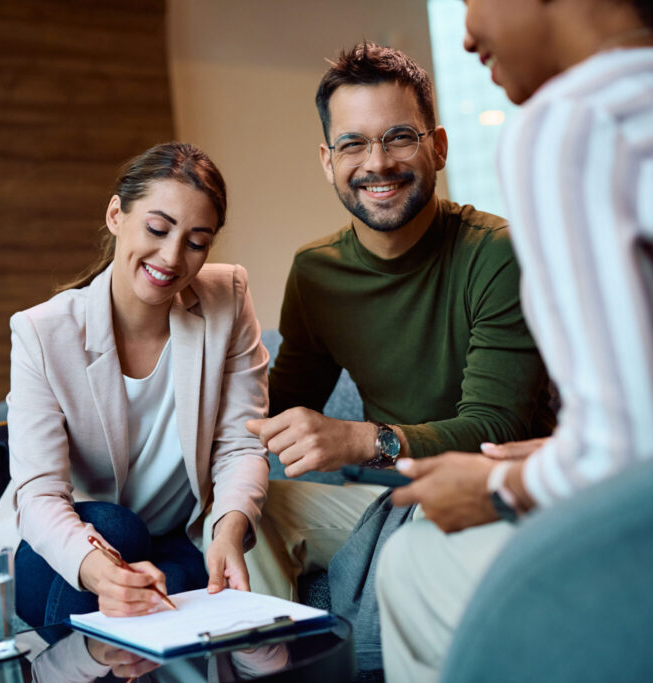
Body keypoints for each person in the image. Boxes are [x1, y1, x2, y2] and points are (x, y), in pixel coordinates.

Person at [376, 0, 653, 679]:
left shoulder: (573, 120)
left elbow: (627, 454)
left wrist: (496, 484)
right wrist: (558, 452)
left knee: (413, 563)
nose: (464, 32)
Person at [243, 43, 554, 668]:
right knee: (241, 510)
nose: (376, 163)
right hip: (380, 499)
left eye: (399, 137)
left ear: (437, 145)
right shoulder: (316, 272)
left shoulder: (496, 253)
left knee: (424, 536)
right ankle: (265, 665)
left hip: (494, 495)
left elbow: (496, 429)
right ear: (327, 161)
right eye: (353, 144)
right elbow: (277, 408)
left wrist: (364, 440)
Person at [0, 142, 271, 633]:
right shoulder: (42, 332)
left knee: (182, 574)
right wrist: (103, 575)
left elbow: (241, 442)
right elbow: (40, 495)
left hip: (169, 541)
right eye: (157, 229)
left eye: (197, 241)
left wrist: (227, 530)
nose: (172, 257)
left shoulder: (229, 298)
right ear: (117, 213)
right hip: (59, 548)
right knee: (119, 529)